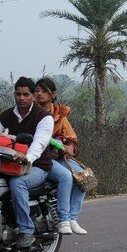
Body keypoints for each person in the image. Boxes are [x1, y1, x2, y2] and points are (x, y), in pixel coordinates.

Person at [0, 76, 53, 247]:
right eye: (18, 94)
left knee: (17, 184)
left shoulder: (43, 117)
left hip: (37, 166)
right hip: (8, 165)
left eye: (26, 94)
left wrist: (27, 158)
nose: (21, 98)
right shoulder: (6, 115)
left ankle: (26, 231)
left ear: (33, 96)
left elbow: (40, 142)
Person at [34, 77, 88, 235]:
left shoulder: (60, 114)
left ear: (53, 94)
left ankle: (72, 218)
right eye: (37, 91)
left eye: (45, 91)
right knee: (66, 177)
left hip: (58, 156)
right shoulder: (32, 112)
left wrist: (69, 147)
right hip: (41, 157)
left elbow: (72, 139)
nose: (40, 94)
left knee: (84, 177)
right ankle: (63, 218)